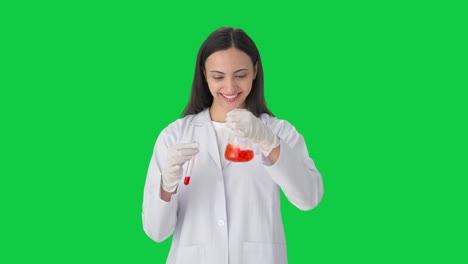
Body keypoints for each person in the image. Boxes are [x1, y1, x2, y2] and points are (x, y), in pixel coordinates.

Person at [142, 27, 324, 264]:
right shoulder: (175, 136)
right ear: (204, 74)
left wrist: (269, 142)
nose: (229, 88)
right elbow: (156, 232)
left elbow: (309, 198)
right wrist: (167, 185)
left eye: (240, 75)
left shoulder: (279, 132)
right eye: (218, 76)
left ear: (255, 71)